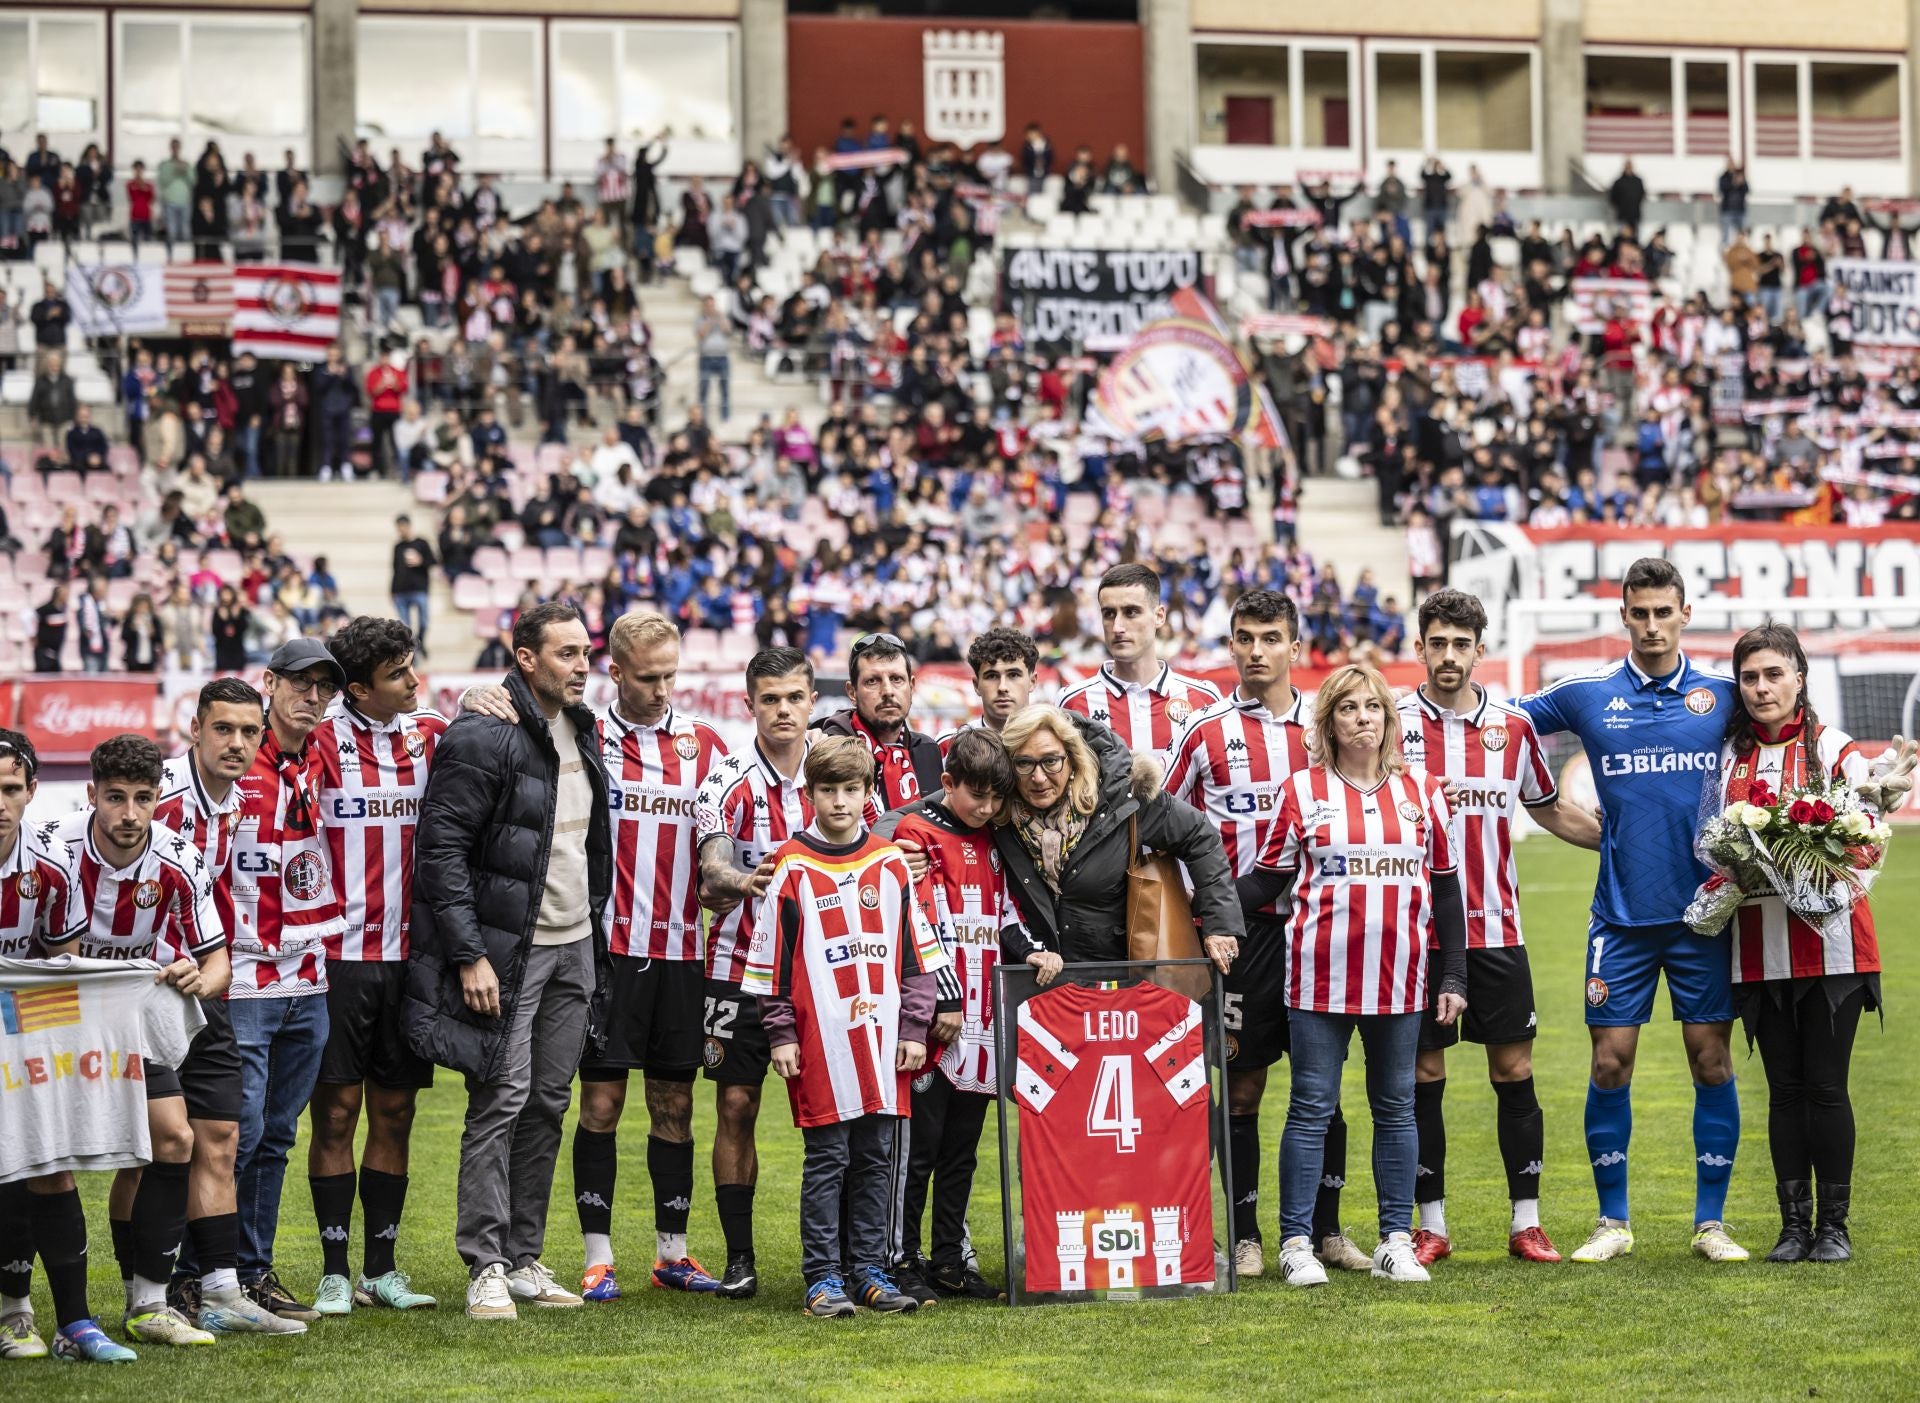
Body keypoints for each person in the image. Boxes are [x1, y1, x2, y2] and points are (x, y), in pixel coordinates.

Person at [460, 612, 732, 1301]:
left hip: (679, 950)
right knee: (596, 1103)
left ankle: (673, 1251)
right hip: (604, 948)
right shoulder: (584, 732)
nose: (664, 687)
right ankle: (596, 1255)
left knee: (674, 1104)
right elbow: (479, 728)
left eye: (672, 674)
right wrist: (468, 696)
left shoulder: (704, 746)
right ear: (616, 672)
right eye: (649, 676)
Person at [1515, 558, 1747, 1263]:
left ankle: (1711, 1223)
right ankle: (1612, 1222)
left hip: (1703, 916)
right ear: (1622, 615)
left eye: (1662, 612)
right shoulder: (1588, 696)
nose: (1650, 625)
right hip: (1618, 917)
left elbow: (1790, 730)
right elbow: (1500, 728)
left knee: (1711, 1060)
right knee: (1610, 1061)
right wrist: (1568, 820)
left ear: (1684, 613)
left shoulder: (1723, 695)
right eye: (1638, 613)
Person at [407, 602, 611, 1320]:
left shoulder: (583, 729)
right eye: (566, 652)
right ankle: (484, 1263)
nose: (582, 664)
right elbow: (440, 852)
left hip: (573, 948)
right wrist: (469, 954)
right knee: (500, 1099)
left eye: (586, 651)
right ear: (525, 657)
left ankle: (524, 1256)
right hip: (506, 952)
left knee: (549, 1104)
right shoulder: (480, 733)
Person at [1164, 590, 1369, 1278]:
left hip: (1321, 932)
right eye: (1244, 637)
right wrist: (1200, 916)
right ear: (1231, 645)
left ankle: (1327, 1229)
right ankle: (1246, 1234)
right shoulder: (1205, 731)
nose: (1256, 650)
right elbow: (1164, 830)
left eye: (1270, 637)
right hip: (1241, 939)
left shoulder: (1327, 726)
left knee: (1323, 1087)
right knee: (1243, 1088)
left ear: (1294, 645)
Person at [1242, 665, 1468, 1287]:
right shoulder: (1302, 790)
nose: (1362, 717)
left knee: (1397, 1108)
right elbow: (1266, 880)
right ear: (1329, 723)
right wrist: (1204, 905)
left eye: (1372, 707)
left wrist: (1454, 976)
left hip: (1401, 981)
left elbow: (1447, 890)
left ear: (1389, 720)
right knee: (1311, 1107)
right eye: (1348, 708)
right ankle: (1295, 1242)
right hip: (1318, 979)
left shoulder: (1422, 792)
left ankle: (1396, 1238)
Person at [1396, 590, 1602, 1267]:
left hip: (1498, 930)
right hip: (1416, 935)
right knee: (1424, 1074)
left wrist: (1621, 843)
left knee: (1514, 1071)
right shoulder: (1391, 724)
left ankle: (1527, 1222)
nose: (1449, 655)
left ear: (1480, 649)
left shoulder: (1512, 727)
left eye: (1461, 643)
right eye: (1438, 642)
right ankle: (1431, 1226)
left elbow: (1548, 809)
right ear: (1420, 646)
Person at [1716, 626, 1914, 1262]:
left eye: (1774, 674)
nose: (1762, 688)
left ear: (1799, 677)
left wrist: (1885, 785)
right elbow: (1716, 844)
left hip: (1836, 948)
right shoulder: (1729, 758)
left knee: (1827, 1087)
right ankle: (1791, 1227)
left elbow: (1868, 818)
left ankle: (1834, 1227)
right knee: (1783, 1090)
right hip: (1758, 949)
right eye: (1750, 678)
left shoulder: (1832, 747)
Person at [743, 736, 949, 1316]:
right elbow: (772, 965)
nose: (839, 801)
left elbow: (917, 957)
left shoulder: (889, 864)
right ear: (810, 795)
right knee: (829, 1157)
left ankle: (868, 1271)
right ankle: (822, 1276)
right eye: (828, 790)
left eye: (851, 790)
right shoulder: (791, 866)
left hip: (884, 1042)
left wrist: (913, 1026)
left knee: (877, 1157)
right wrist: (780, 1033)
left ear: (868, 794)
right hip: (819, 1042)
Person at [43, 735, 231, 1344]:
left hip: (128, 1021)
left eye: (143, 799)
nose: (129, 814)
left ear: (158, 799)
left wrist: (197, 978)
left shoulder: (178, 857)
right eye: (116, 798)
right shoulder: (54, 850)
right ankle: (27, 1309)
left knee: (172, 1138)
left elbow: (218, 959)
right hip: (51, 1017)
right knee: (41, 1160)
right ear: (91, 793)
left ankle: (148, 1304)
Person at [150, 681, 305, 1335]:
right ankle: (151, 1296)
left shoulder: (233, 803)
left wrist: (213, 963)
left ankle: (218, 1287)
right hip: (143, 990)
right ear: (195, 729)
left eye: (249, 730)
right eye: (224, 729)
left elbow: (199, 900)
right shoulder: (161, 797)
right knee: (150, 1151)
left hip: (201, 988)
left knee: (223, 1135)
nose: (238, 742)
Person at [877, 729, 1052, 1304]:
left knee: (961, 1150)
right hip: (936, 1017)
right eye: (977, 796)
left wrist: (1028, 951)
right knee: (917, 1150)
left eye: (997, 799)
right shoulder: (916, 832)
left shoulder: (993, 837)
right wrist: (945, 996)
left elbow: (1000, 913)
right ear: (948, 783)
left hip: (981, 1021)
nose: (988, 809)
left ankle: (950, 1259)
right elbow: (920, 916)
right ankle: (900, 1260)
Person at [304, 619, 447, 1314]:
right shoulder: (322, 746)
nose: (413, 681)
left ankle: (380, 1269)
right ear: (357, 688)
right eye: (397, 674)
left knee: (396, 1109)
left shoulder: (433, 735)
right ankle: (333, 1269)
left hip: (409, 961)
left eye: (412, 666)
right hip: (338, 961)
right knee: (337, 1111)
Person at [226, 641, 351, 1319]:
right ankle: (202, 1270)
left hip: (308, 974)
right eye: (300, 683)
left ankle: (253, 1269)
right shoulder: (237, 756)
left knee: (276, 1135)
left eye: (323, 688)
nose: (312, 697)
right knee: (237, 1134)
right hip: (242, 974)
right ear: (269, 682)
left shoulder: (327, 753)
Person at [694, 647, 821, 1300]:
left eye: (794, 697)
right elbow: (712, 864)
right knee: (737, 1105)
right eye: (769, 698)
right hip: (738, 968)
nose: (783, 710)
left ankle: (833, 1256)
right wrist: (746, 880)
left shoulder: (835, 768)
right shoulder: (727, 779)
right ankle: (740, 1258)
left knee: (833, 1114)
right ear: (749, 704)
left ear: (811, 701)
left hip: (825, 975)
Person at [990, 704, 1244, 968]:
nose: (1039, 777)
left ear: (1073, 757)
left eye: (1051, 761)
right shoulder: (995, 810)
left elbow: (1199, 835)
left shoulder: (1121, 796)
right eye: (1024, 763)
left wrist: (1220, 924)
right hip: (1032, 981)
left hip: (1120, 980)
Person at [0, 729, 104, 1362]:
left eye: (11, 789)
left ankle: (55, 1319)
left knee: (42, 1161)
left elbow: (61, 964)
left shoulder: (52, 865)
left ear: (32, 792)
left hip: (19, 1025)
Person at [1059, 563, 1221, 757]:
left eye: (1131, 612)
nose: (1117, 627)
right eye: (1109, 614)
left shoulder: (1205, 699)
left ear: (1159, 616)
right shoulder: (1071, 702)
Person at [811, 631, 943, 821]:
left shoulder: (928, 751)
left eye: (897, 679)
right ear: (852, 692)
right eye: (872, 681)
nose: (888, 691)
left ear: (912, 687)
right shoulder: (826, 746)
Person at [937, 626, 1037, 753]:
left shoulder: (1055, 741)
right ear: (976, 685)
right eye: (992, 676)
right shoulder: (950, 745)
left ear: (1032, 682)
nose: (1002, 687)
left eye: (1013, 675)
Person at [390, 516, 435, 650]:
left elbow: (433, 561)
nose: (400, 530)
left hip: (419, 589)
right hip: (401, 591)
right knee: (405, 628)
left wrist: (420, 561)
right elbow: (395, 569)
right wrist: (392, 590)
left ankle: (420, 642)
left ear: (408, 526)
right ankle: (414, 650)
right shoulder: (398, 546)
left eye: (402, 527)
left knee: (424, 622)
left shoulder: (422, 543)